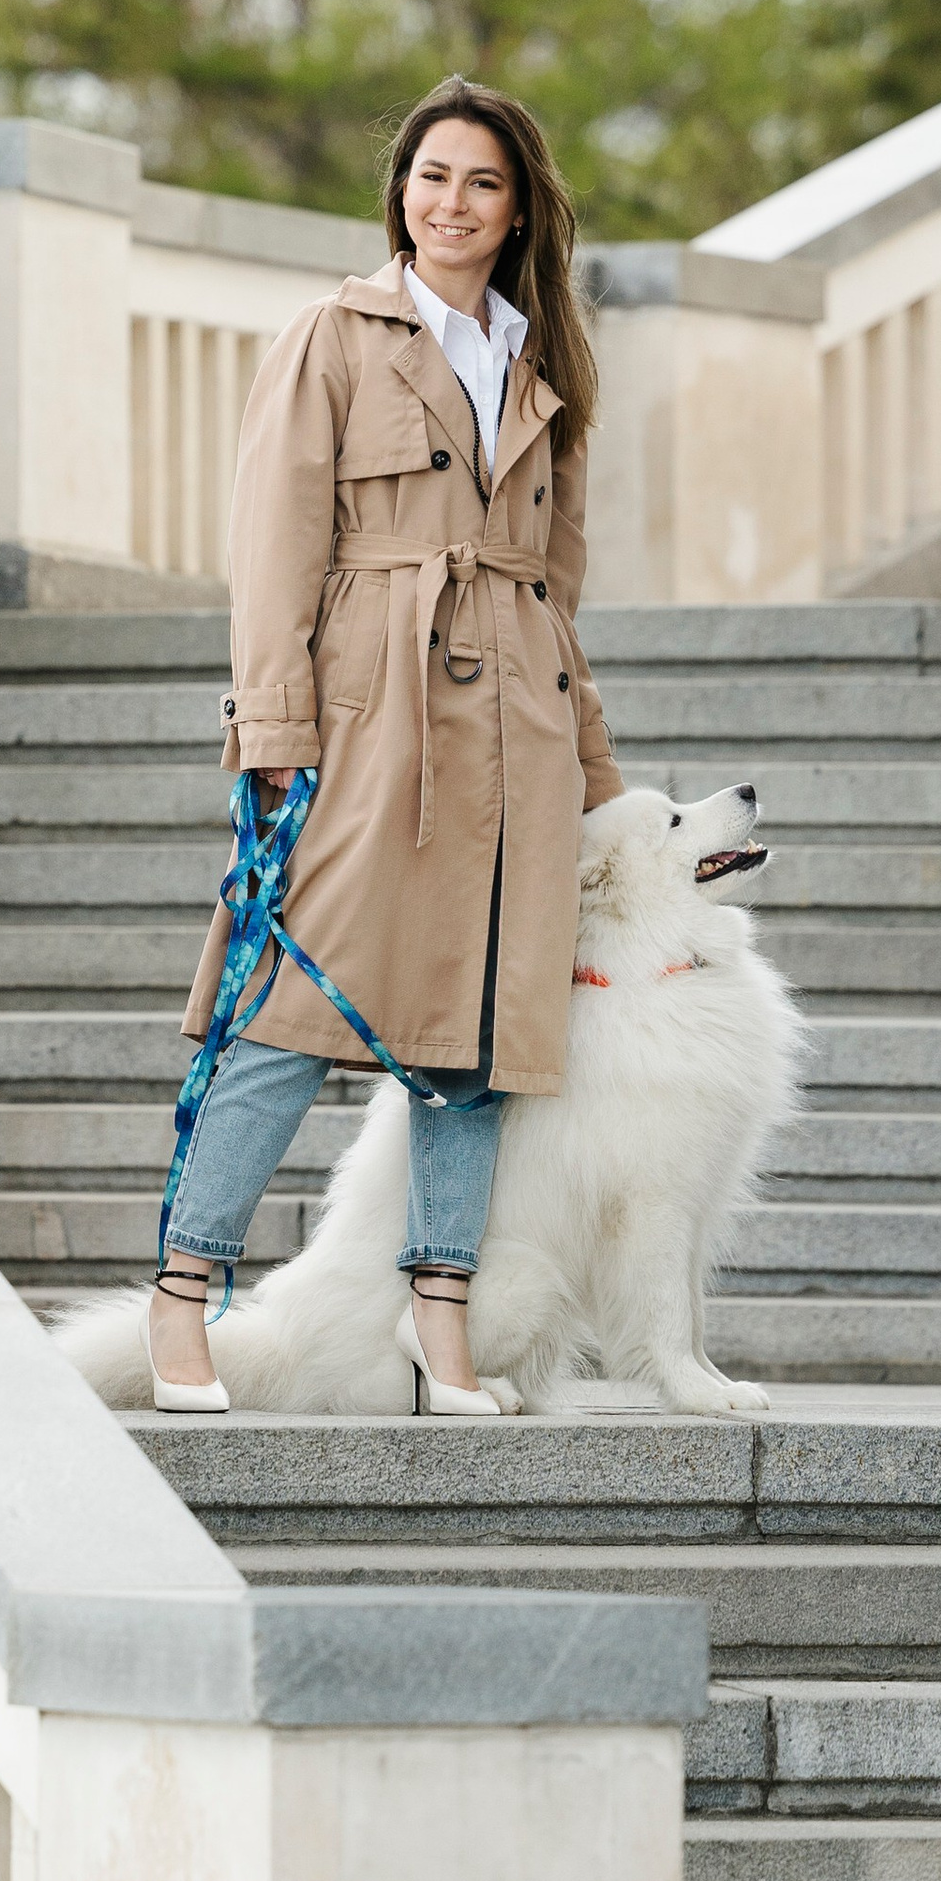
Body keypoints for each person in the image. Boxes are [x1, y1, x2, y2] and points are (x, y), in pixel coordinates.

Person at [145, 76, 625, 1413]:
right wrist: (274, 726)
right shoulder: (335, 336)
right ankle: (183, 1299)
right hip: (373, 721)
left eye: (482, 183)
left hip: (519, 732)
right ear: (400, 193)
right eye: (431, 177)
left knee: (478, 1043)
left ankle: (442, 1321)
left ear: (519, 209)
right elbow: (273, 541)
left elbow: (557, 590)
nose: (451, 204)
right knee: (282, 1012)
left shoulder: (545, 368)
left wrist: (593, 770)